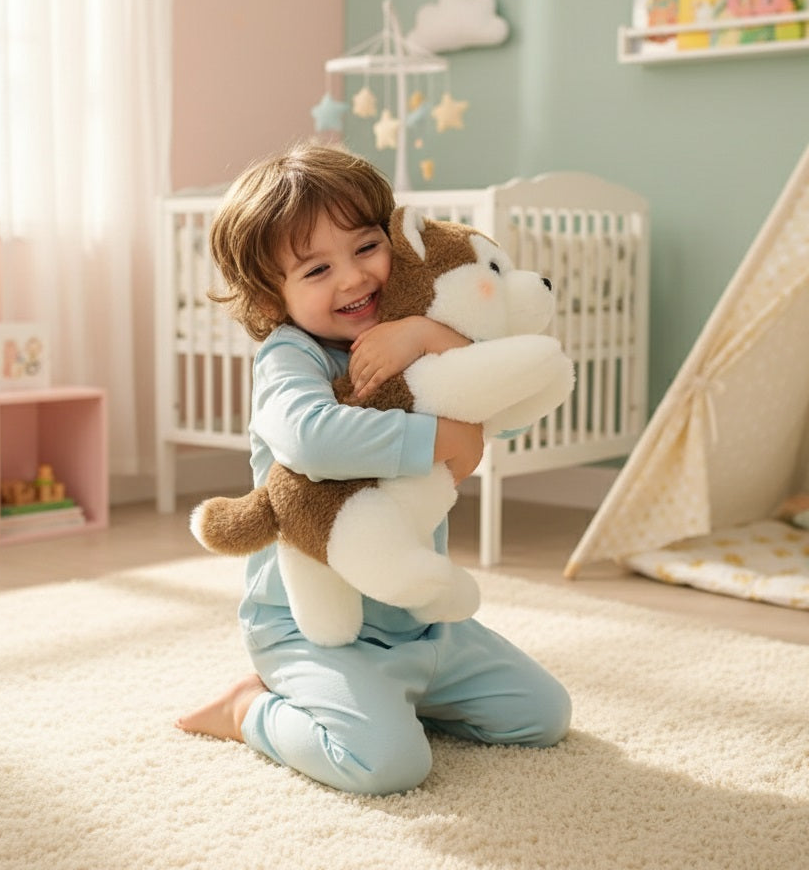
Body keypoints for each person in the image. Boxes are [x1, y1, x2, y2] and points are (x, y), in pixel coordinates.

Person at [176, 143, 571, 794]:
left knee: (544, 716)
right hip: (315, 632)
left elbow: (511, 407)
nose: (353, 279)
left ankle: (399, 698)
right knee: (388, 766)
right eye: (316, 270)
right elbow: (311, 439)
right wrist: (436, 436)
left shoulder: (416, 329)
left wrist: (425, 337)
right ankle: (249, 708)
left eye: (365, 248)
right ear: (271, 296)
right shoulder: (291, 357)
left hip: (421, 623)